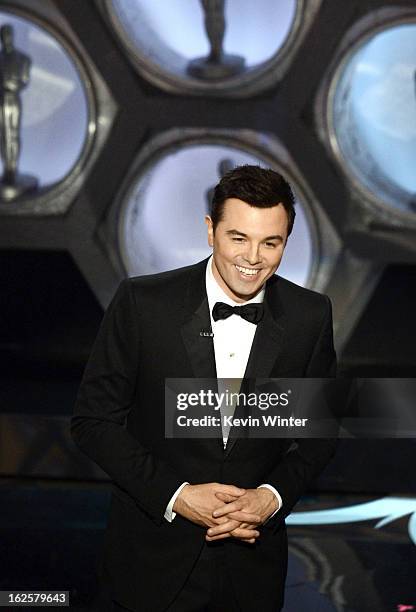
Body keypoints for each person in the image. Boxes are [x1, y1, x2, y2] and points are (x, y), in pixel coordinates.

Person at [71, 165, 337, 612]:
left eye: (270, 242)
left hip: (252, 568)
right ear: (210, 230)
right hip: (150, 562)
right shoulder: (142, 303)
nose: (252, 258)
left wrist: (268, 500)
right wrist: (177, 494)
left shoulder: (310, 316)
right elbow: (93, 422)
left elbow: (318, 437)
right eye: (238, 238)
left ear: (286, 241)